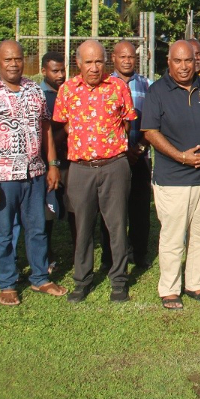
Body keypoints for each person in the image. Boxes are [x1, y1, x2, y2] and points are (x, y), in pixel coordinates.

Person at [0, 40, 67, 306]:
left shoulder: (34, 90)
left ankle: (39, 278)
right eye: (7, 59)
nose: (13, 64)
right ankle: (8, 283)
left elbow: (46, 129)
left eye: (18, 59)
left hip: (34, 174)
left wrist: (53, 165)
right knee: (3, 233)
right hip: (2, 178)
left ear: (24, 61)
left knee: (37, 229)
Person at [141, 41, 200, 310]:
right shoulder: (157, 91)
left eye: (188, 61)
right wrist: (181, 157)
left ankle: (196, 283)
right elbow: (150, 131)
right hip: (173, 178)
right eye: (177, 61)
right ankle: (169, 288)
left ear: (196, 61)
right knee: (173, 237)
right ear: (169, 62)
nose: (183, 66)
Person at [53, 40, 137, 304]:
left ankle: (119, 280)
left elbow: (126, 122)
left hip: (114, 166)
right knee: (82, 226)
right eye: (88, 62)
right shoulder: (67, 90)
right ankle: (82, 280)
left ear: (105, 62)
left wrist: (110, 146)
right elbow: (63, 125)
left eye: (98, 61)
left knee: (116, 225)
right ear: (78, 63)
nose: (94, 67)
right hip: (80, 169)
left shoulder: (118, 87)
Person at [100, 40, 152, 270]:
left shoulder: (147, 85)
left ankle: (139, 254)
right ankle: (108, 257)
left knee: (140, 209)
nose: (128, 60)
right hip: (113, 159)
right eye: (123, 57)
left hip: (139, 156)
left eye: (131, 57)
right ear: (114, 58)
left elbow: (153, 122)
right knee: (111, 211)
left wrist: (140, 147)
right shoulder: (104, 85)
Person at [40, 51, 72, 271]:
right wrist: (66, 131)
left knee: (74, 208)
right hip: (47, 162)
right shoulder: (39, 96)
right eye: (55, 71)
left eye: (63, 70)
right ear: (44, 71)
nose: (60, 75)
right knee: (46, 213)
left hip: (71, 161)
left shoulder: (70, 93)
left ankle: (79, 251)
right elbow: (46, 134)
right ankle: (46, 254)